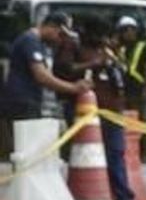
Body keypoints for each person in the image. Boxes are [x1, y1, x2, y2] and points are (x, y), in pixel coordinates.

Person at [0, 13, 91, 162]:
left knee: (29, 152)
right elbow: (41, 76)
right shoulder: (30, 41)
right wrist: (73, 88)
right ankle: (24, 182)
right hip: (22, 102)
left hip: (30, 101)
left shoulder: (39, 44)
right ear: (51, 26)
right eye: (60, 34)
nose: (60, 39)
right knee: (26, 151)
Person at [78, 22, 140, 200]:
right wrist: (96, 63)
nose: (109, 40)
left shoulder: (112, 54)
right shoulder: (85, 54)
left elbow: (124, 79)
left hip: (114, 111)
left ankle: (123, 195)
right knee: (95, 156)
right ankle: (99, 195)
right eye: (106, 36)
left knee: (116, 153)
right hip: (96, 113)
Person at [115, 16, 146, 115]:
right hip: (123, 87)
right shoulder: (119, 48)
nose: (129, 32)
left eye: (132, 29)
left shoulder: (142, 46)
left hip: (137, 86)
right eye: (125, 30)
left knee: (138, 113)